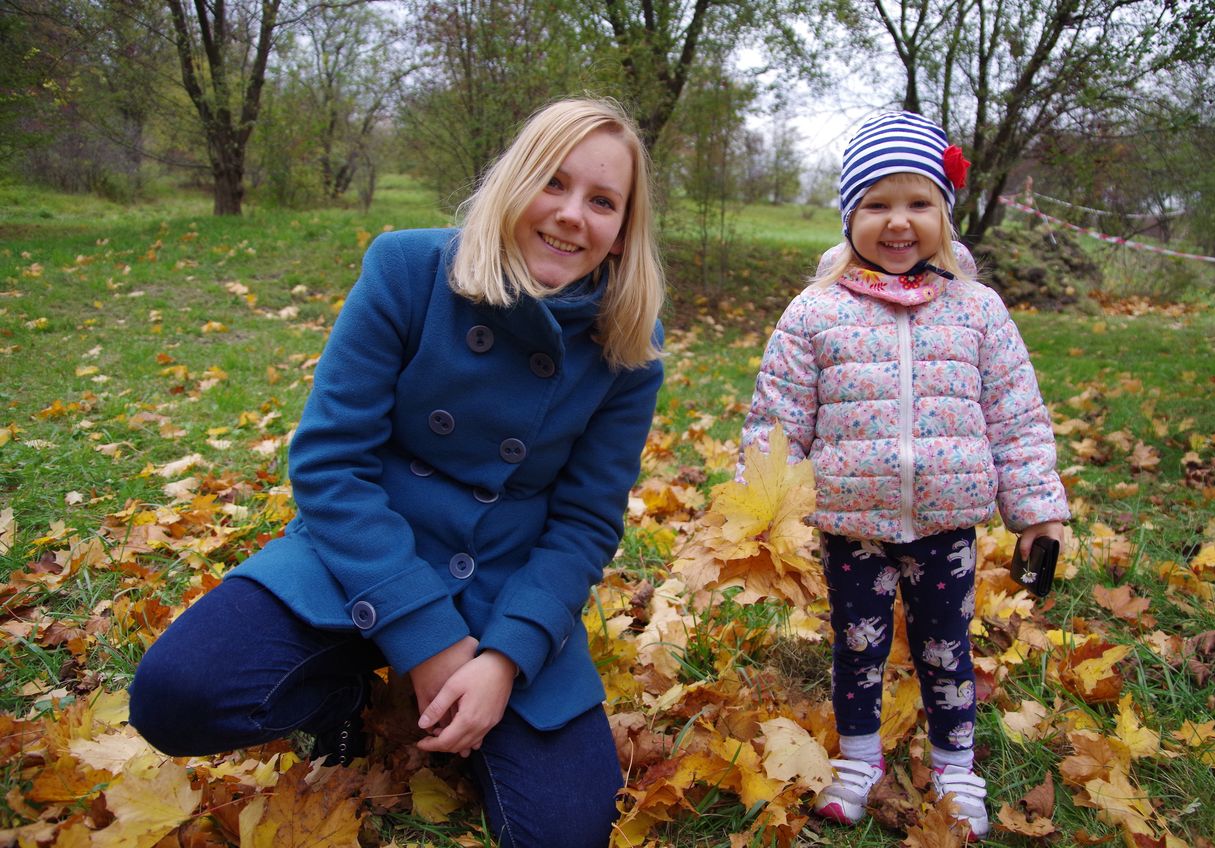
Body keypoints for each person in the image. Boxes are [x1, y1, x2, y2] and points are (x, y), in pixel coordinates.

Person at [129, 97, 665, 848]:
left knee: (569, 831)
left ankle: (474, 718)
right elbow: (330, 461)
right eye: (553, 182)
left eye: (602, 201)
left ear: (620, 233)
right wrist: (427, 640)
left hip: (502, 589)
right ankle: (342, 691)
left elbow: (584, 522)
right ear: (513, 184)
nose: (572, 214)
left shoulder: (629, 343)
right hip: (360, 556)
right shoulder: (409, 269)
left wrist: (504, 660)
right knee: (176, 696)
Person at [739, 111, 1068, 838]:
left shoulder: (978, 310)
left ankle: (956, 766)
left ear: (944, 214)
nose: (898, 222)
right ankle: (859, 760)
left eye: (918, 203)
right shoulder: (815, 312)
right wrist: (769, 510)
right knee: (856, 646)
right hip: (850, 523)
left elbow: (1017, 415)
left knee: (945, 647)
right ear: (850, 214)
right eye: (876, 204)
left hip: (946, 524)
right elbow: (778, 419)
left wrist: (1039, 509)